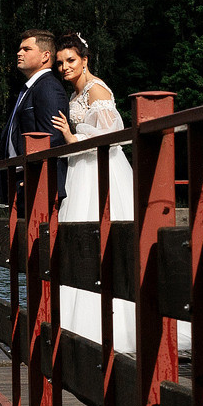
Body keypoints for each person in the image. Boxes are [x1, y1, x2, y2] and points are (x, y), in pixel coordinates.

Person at [49, 32, 139, 354]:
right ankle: (78, 323)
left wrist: (73, 139)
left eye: (70, 60)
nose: (64, 67)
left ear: (85, 60)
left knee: (98, 238)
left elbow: (113, 136)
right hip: (80, 171)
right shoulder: (74, 96)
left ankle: (109, 325)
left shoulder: (96, 89)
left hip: (99, 172)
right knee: (80, 240)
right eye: (59, 62)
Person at [3, 29, 71, 177]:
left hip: (36, 181)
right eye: (20, 49)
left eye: (26, 49)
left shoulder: (48, 87)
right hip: (22, 180)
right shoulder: (30, 88)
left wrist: (33, 177)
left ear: (45, 56)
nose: (19, 53)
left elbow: (52, 139)